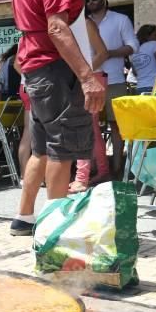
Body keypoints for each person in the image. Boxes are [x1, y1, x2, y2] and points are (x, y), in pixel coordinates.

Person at [9, 0, 105, 236]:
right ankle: (55, 232)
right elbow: (57, 28)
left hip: (37, 70)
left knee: (42, 149)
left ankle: (24, 217)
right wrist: (87, 76)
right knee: (62, 152)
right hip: (54, 71)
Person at [83, 0, 138, 176]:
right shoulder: (82, 22)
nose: (91, 2)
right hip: (90, 81)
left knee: (116, 126)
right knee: (90, 127)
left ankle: (117, 167)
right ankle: (95, 169)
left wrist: (108, 53)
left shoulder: (120, 20)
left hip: (114, 79)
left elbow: (133, 46)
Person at [69, 18, 112, 193]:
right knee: (90, 128)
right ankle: (101, 171)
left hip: (90, 79)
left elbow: (103, 53)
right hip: (87, 78)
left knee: (84, 128)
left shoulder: (85, 23)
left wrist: (82, 72)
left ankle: (82, 177)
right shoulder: (74, 23)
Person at [132, 24, 156, 94]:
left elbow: (135, 72)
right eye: (155, 35)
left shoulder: (134, 50)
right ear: (147, 36)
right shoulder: (153, 44)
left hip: (140, 87)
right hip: (153, 86)